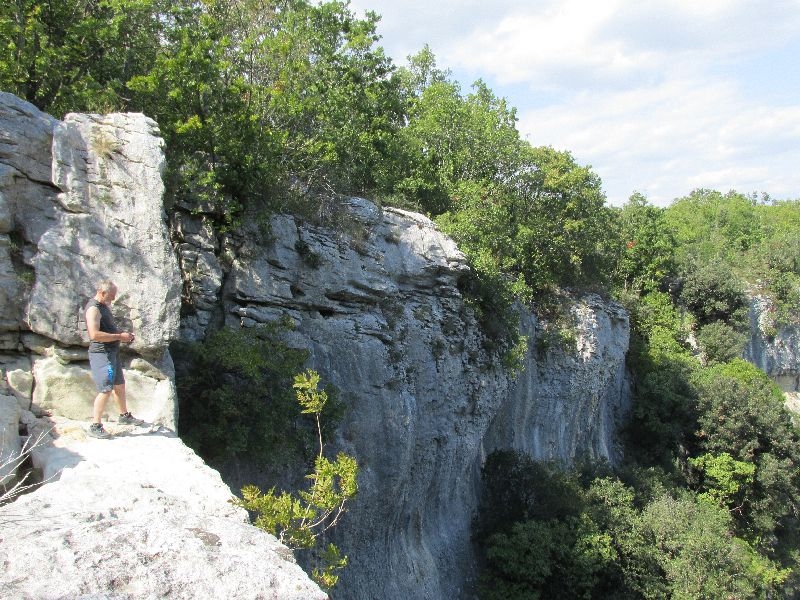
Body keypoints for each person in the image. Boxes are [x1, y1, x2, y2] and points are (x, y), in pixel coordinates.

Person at [85, 280, 144, 438]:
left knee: (119, 385)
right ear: (102, 292)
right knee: (106, 389)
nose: (112, 300)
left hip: (112, 353)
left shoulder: (103, 307)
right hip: (102, 355)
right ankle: (95, 425)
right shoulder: (93, 309)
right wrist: (119, 336)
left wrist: (123, 336)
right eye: (111, 297)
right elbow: (94, 335)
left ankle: (124, 416)